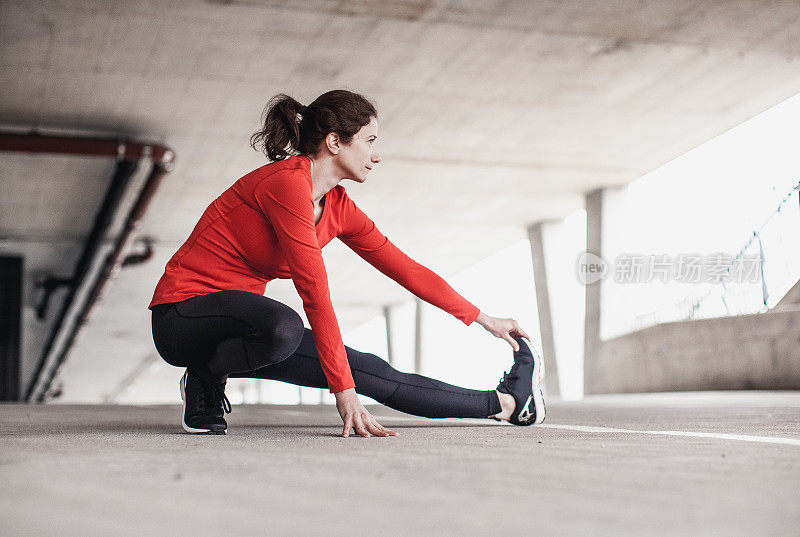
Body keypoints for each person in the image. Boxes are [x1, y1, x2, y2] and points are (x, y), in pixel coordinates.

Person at [149, 89, 546, 437]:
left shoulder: (339, 209)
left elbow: (407, 270)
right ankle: (205, 374)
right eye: (370, 141)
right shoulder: (286, 183)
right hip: (181, 318)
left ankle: (508, 405)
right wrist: (343, 393)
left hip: (253, 337)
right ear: (335, 142)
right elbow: (313, 289)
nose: (377, 155)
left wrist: (484, 318)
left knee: (368, 370)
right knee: (286, 327)